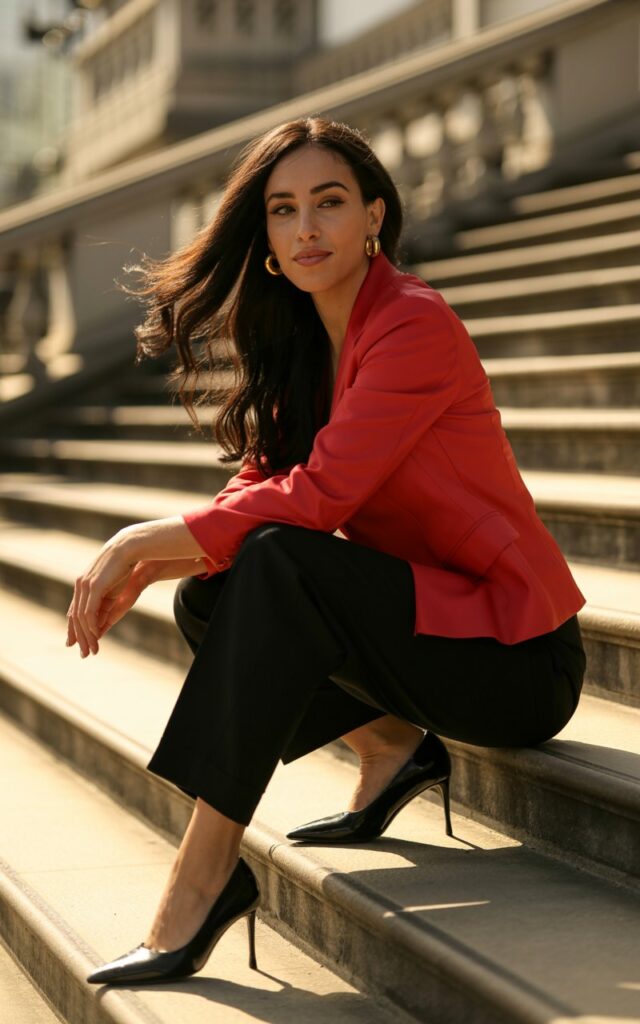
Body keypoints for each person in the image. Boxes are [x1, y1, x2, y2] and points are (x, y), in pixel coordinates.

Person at [66, 116, 587, 987]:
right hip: (434, 626)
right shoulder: (308, 340)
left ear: (374, 215)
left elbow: (322, 497)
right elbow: (264, 481)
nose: (306, 227)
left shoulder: (413, 324)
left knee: (272, 560)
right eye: (283, 209)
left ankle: (203, 879)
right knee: (214, 587)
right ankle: (393, 750)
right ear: (264, 235)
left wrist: (139, 542)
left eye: (330, 203)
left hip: (516, 659)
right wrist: (168, 561)